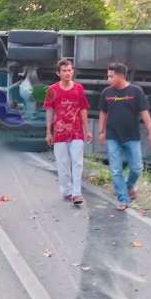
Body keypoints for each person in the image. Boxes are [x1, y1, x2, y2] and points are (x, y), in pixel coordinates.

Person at [98, 62, 151, 210]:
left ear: (120, 76)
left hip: (132, 136)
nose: (108, 79)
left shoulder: (136, 91)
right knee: (115, 169)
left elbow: (144, 112)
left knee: (137, 168)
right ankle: (123, 199)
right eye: (108, 76)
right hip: (113, 135)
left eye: (111, 76)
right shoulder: (107, 92)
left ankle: (127, 186)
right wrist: (101, 131)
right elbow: (103, 112)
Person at [44, 58, 91, 206]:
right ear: (58, 73)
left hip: (76, 130)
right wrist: (48, 132)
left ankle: (77, 193)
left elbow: (83, 109)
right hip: (59, 132)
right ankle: (66, 190)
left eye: (70, 70)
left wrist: (86, 130)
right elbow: (49, 111)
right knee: (63, 163)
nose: (67, 73)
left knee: (77, 162)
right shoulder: (52, 90)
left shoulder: (78, 88)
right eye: (64, 70)